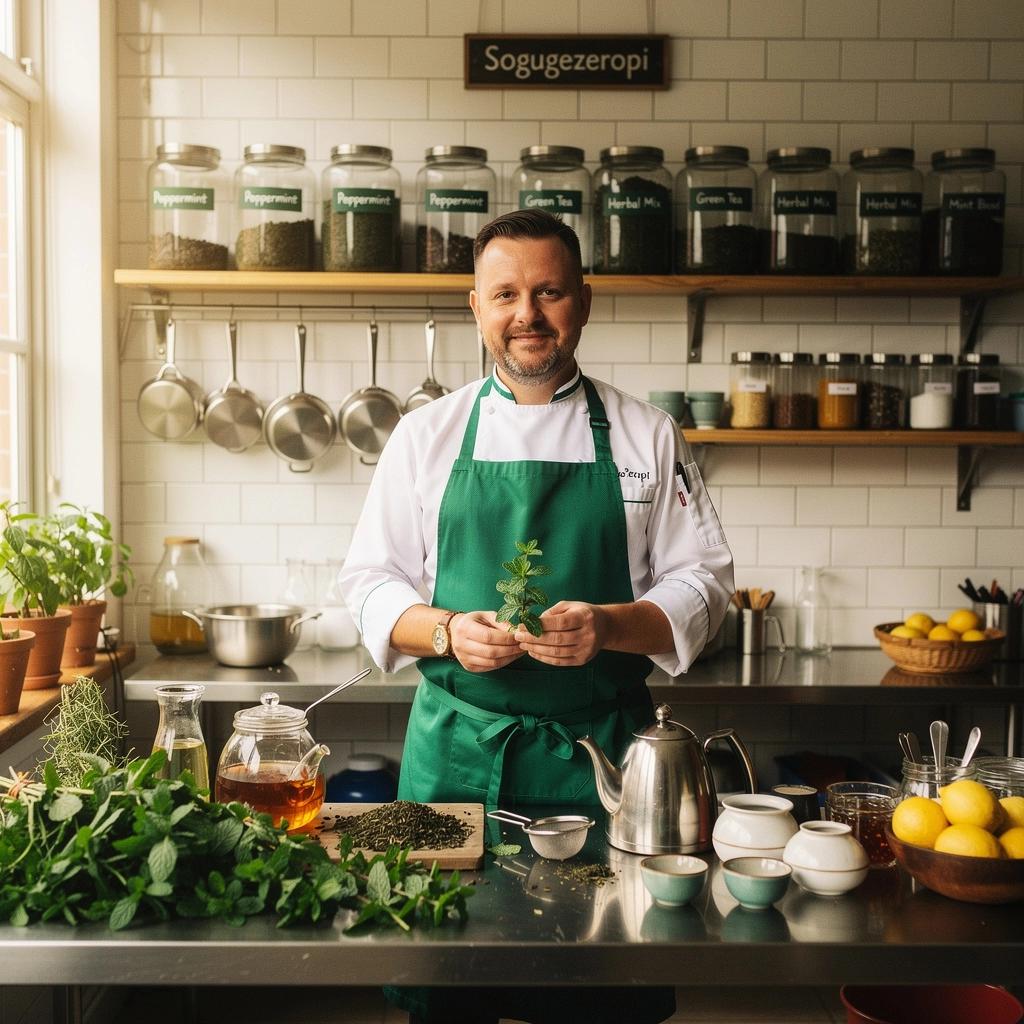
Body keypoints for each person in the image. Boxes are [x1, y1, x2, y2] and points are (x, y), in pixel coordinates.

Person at [340, 209, 734, 1024]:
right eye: (507, 294)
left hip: (604, 771)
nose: (528, 314)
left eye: (549, 291)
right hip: (453, 761)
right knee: (447, 989)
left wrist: (612, 627)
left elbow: (707, 586)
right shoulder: (424, 435)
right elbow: (369, 583)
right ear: (476, 306)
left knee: (599, 990)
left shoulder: (645, 434)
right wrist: (446, 630)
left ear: (583, 302)